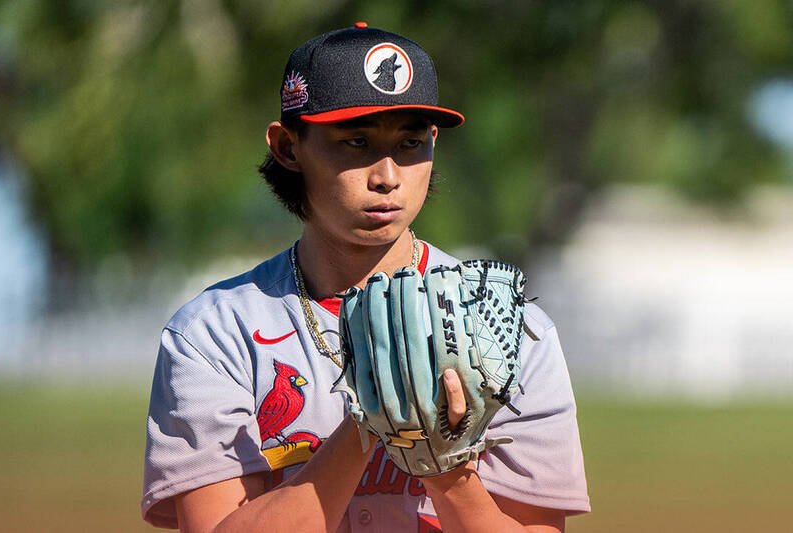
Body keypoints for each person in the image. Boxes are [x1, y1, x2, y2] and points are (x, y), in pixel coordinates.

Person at [142, 23, 590, 533]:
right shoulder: (215, 333)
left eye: (410, 142)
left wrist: (443, 463)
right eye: (356, 142)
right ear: (288, 147)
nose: (388, 176)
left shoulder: (506, 326)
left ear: (434, 142)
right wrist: (367, 426)